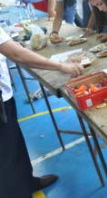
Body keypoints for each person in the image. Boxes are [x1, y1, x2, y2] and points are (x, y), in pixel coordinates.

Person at [0, 27, 83, 198]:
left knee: (15, 143)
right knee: (6, 154)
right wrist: (61, 66)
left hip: (4, 96)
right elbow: (17, 54)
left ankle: (28, 182)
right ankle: (18, 192)